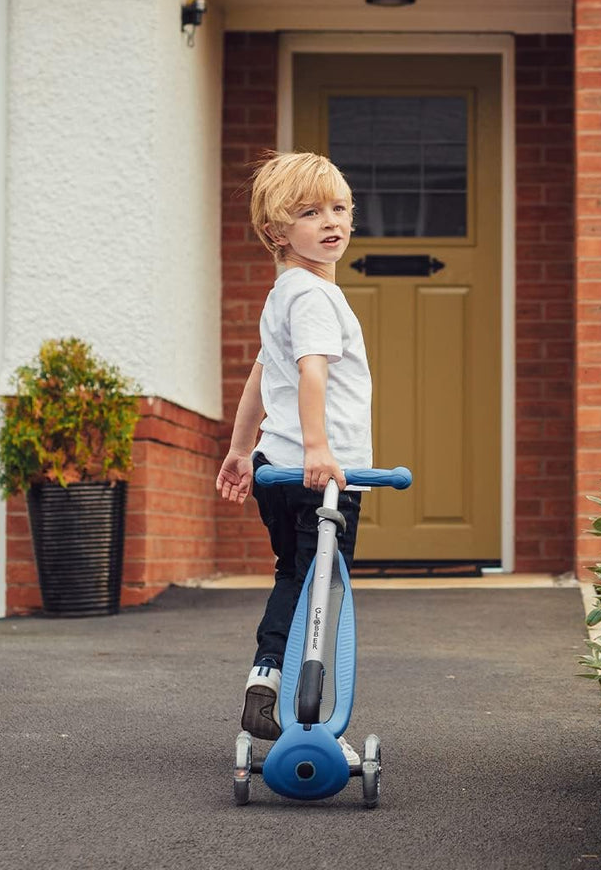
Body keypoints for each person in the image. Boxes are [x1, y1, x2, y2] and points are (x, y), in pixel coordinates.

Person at [215, 151, 372, 762]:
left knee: (294, 575)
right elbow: (310, 373)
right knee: (320, 587)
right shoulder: (315, 298)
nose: (331, 221)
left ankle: (266, 678)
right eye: (310, 212)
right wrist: (318, 449)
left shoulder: (283, 293)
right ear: (276, 231)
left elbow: (261, 375)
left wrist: (239, 448)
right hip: (319, 474)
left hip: (273, 467)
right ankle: (306, 721)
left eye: (339, 208)